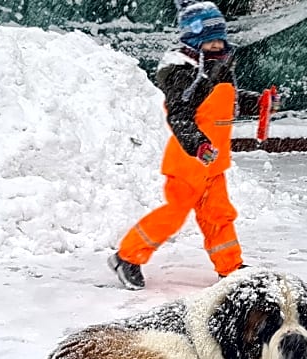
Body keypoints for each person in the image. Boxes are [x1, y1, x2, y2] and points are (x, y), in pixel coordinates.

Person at [108, 0, 278, 290]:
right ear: (193, 41)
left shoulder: (219, 68)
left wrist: (259, 102)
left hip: (213, 162)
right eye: (209, 42)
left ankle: (231, 267)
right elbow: (180, 117)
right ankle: (127, 257)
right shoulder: (184, 73)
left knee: (219, 216)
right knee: (173, 213)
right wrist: (198, 145)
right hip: (189, 160)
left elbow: (230, 103)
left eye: (219, 39)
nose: (216, 46)